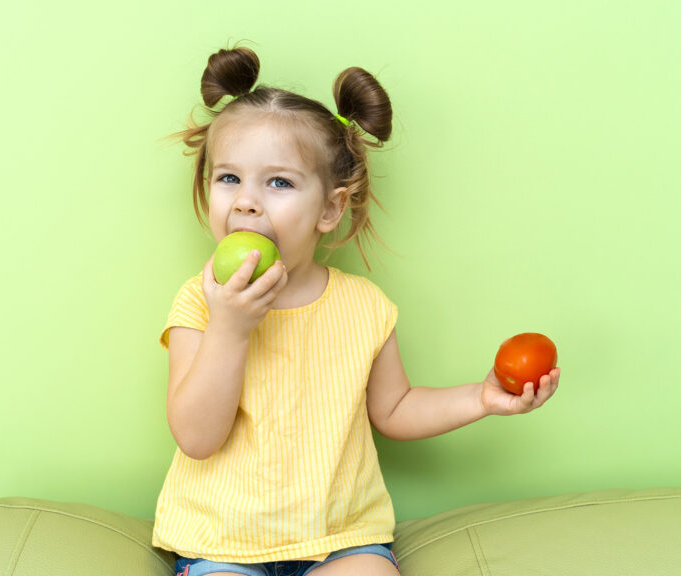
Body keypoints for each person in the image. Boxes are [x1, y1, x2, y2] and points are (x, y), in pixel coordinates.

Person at [153, 45, 560, 576]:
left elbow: (394, 410)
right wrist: (229, 327)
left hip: (342, 540)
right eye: (228, 178)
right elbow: (197, 438)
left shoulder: (365, 306)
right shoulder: (200, 301)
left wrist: (480, 398)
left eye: (278, 182)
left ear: (330, 208)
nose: (247, 201)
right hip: (222, 542)